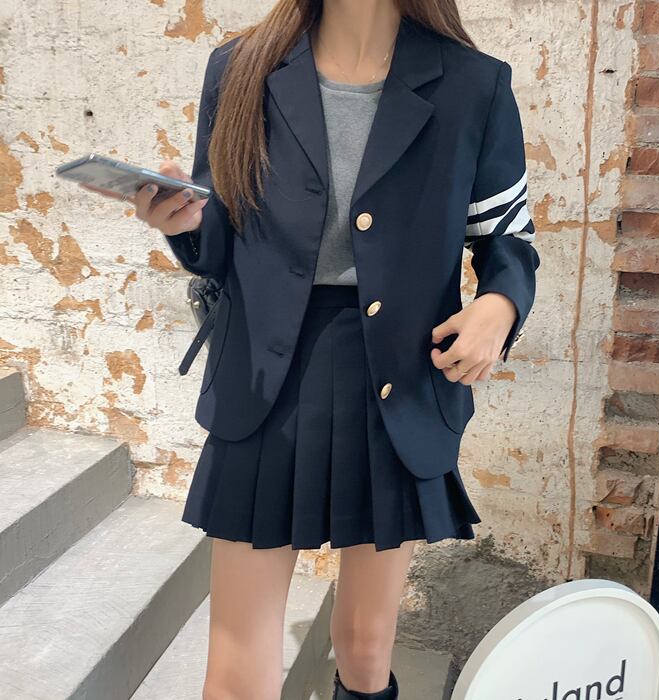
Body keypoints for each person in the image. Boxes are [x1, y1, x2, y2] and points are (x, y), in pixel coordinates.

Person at [87, 1, 540, 697]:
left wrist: (499, 306)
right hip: (265, 380)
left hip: (399, 379)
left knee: (364, 645)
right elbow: (220, 243)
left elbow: (507, 237)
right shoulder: (239, 69)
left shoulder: (473, 83)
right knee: (237, 664)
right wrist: (181, 224)